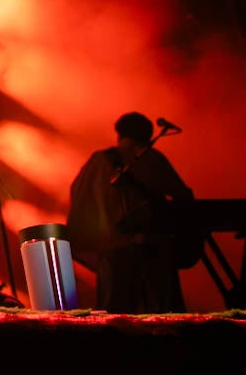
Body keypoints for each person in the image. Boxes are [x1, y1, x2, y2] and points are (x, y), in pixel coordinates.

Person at [66, 111, 196, 313]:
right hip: (152, 249)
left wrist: (87, 236)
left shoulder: (99, 161)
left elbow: (79, 196)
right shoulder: (154, 160)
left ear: (119, 134)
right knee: (162, 313)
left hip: (113, 250)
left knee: (114, 313)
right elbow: (183, 197)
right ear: (148, 135)